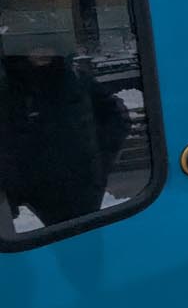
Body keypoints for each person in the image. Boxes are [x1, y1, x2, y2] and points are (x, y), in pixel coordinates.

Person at [0, 47, 130, 230]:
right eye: (32, 45)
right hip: (31, 189)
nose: (41, 51)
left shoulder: (77, 80)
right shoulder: (10, 87)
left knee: (84, 241)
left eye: (46, 44)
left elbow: (116, 119)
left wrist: (97, 165)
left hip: (79, 187)